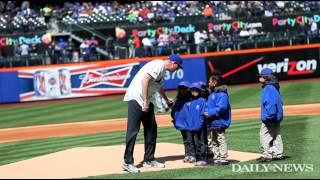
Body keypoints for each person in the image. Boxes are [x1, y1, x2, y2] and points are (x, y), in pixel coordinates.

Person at [122, 54, 183, 173]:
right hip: (136, 98)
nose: (177, 69)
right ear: (174, 63)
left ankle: (149, 159)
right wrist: (144, 101)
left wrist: (166, 99)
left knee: (151, 128)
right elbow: (145, 80)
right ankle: (127, 162)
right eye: (178, 67)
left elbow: (158, 87)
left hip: (145, 99)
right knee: (133, 130)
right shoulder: (158, 64)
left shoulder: (162, 70)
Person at [256, 68, 284, 162]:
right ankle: (277, 154)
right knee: (276, 134)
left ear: (265, 77)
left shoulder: (268, 88)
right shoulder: (275, 86)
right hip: (276, 116)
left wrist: (269, 116)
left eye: (260, 77)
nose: (259, 78)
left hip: (270, 117)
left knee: (264, 134)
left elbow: (270, 103)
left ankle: (267, 155)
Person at [204, 71, 232, 165]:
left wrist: (210, 113)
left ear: (215, 82)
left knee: (220, 138)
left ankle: (223, 156)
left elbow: (222, 107)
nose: (208, 83)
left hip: (220, 121)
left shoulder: (222, 94)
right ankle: (217, 156)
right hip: (212, 121)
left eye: (210, 81)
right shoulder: (212, 94)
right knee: (214, 140)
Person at [171, 81, 196, 163]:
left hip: (189, 124)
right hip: (181, 124)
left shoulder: (191, 100)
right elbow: (173, 112)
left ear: (188, 89)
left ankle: (192, 155)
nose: (182, 90)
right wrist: (175, 120)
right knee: (185, 140)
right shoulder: (178, 100)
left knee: (190, 139)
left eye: (184, 88)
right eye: (181, 89)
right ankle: (187, 154)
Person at [186, 82, 208, 166]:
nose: (194, 92)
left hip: (200, 127)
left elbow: (203, 115)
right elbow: (190, 116)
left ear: (199, 91)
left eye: (196, 90)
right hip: (193, 127)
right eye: (192, 90)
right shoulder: (191, 102)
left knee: (202, 142)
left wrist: (200, 125)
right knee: (196, 143)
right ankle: (198, 158)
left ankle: (204, 159)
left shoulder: (202, 101)